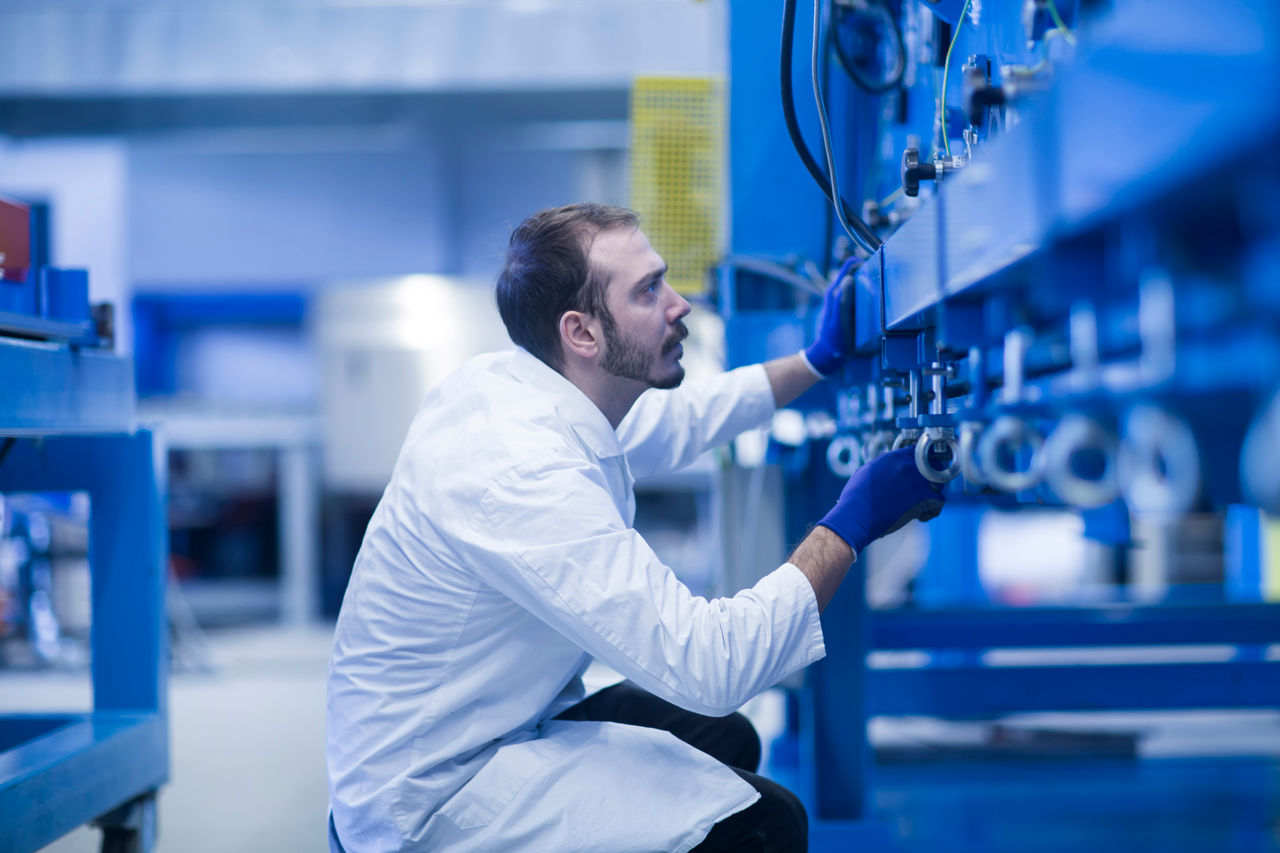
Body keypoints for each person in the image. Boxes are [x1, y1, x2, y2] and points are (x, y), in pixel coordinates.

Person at [326, 203, 943, 853]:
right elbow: (712, 663)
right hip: (432, 798)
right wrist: (849, 525)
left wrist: (815, 361)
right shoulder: (521, 472)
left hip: (494, 718)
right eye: (649, 291)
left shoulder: (527, 387)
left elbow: (680, 422)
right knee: (767, 822)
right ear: (582, 332)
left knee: (722, 736)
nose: (680, 304)